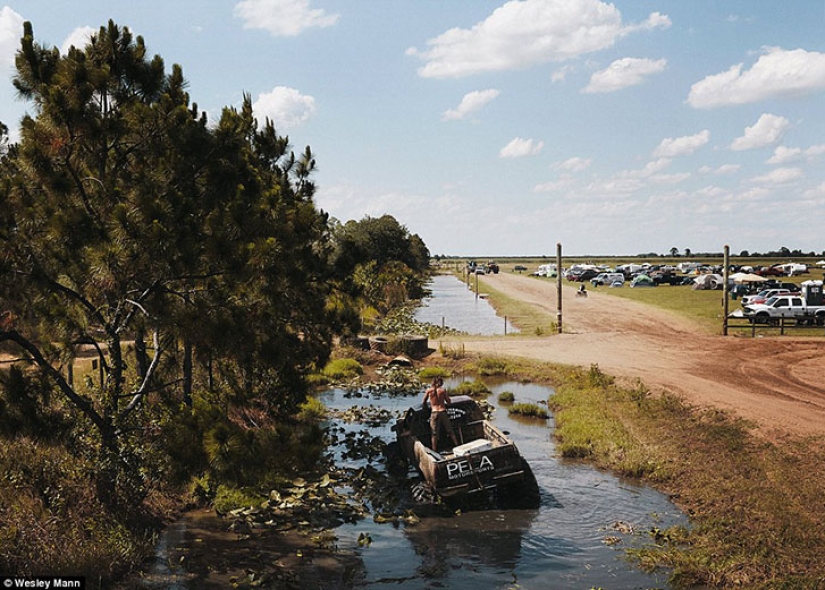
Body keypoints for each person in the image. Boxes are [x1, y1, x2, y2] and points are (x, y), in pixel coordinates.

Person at [423, 377, 459, 451]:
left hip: (434, 412)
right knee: (450, 431)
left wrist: (425, 407)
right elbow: (448, 401)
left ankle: (434, 450)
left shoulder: (429, 391)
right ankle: (457, 445)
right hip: (442, 411)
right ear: (440, 383)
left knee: (434, 433)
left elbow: (424, 401)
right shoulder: (442, 390)